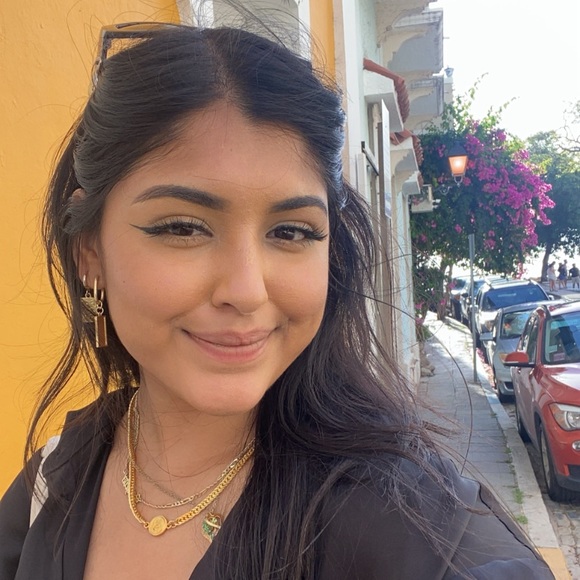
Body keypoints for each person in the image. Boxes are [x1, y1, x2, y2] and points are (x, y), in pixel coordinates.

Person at [0, 21, 554, 580]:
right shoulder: (52, 481)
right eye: (183, 227)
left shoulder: (414, 529)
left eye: (291, 232)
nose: (246, 290)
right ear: (90, 252)